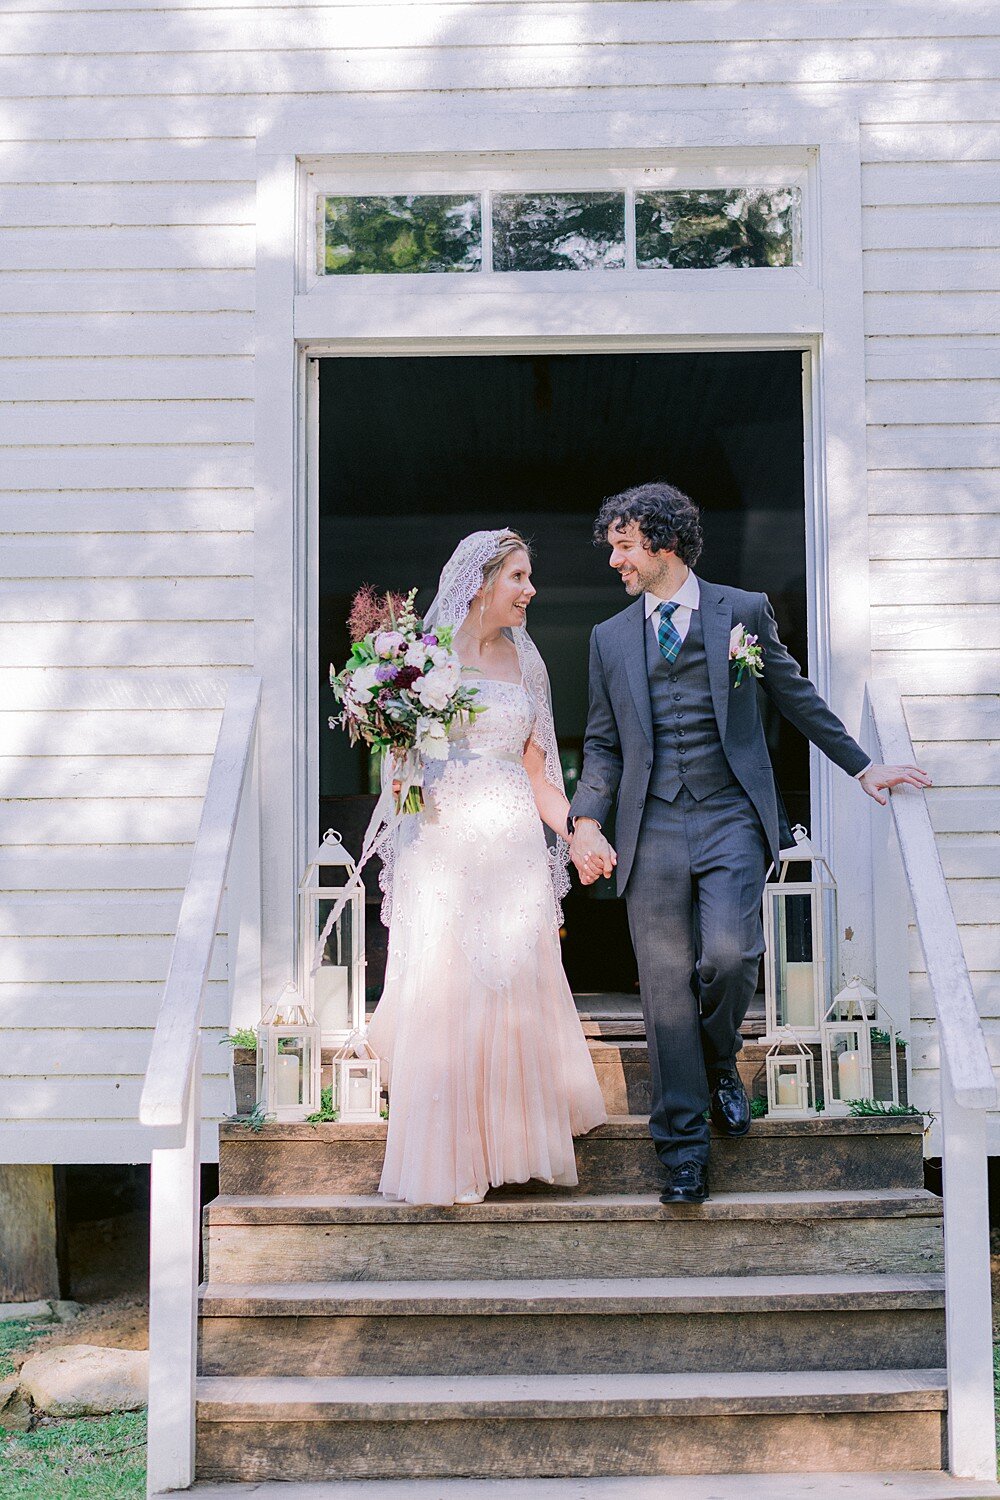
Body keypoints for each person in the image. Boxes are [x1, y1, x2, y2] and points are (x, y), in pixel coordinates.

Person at [568, 481, 931, 1205]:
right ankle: (682, 1154)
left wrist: (863, 765)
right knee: (665, 995)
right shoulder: (608, 639)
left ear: (664, 543)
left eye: (624, 547)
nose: (615, 563)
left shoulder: (743, 611)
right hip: (652, 825)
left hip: (731, 814)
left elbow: (795, 697)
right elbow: (603, 743)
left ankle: (719, 1060)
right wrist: (585, 820)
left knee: (730, 958)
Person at [368, 529, 607, 1207]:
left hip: (512, 847)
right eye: (520, 578)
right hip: (444, 846)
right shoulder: (421, 662)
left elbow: (541, 775)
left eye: (529, 578)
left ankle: (514, 1149)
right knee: (452, 995)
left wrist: (577, 829)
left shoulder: (528, 665)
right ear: (480, 583)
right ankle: (451, 1158)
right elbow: (401, 775)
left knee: (510, 987)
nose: (530, 591)